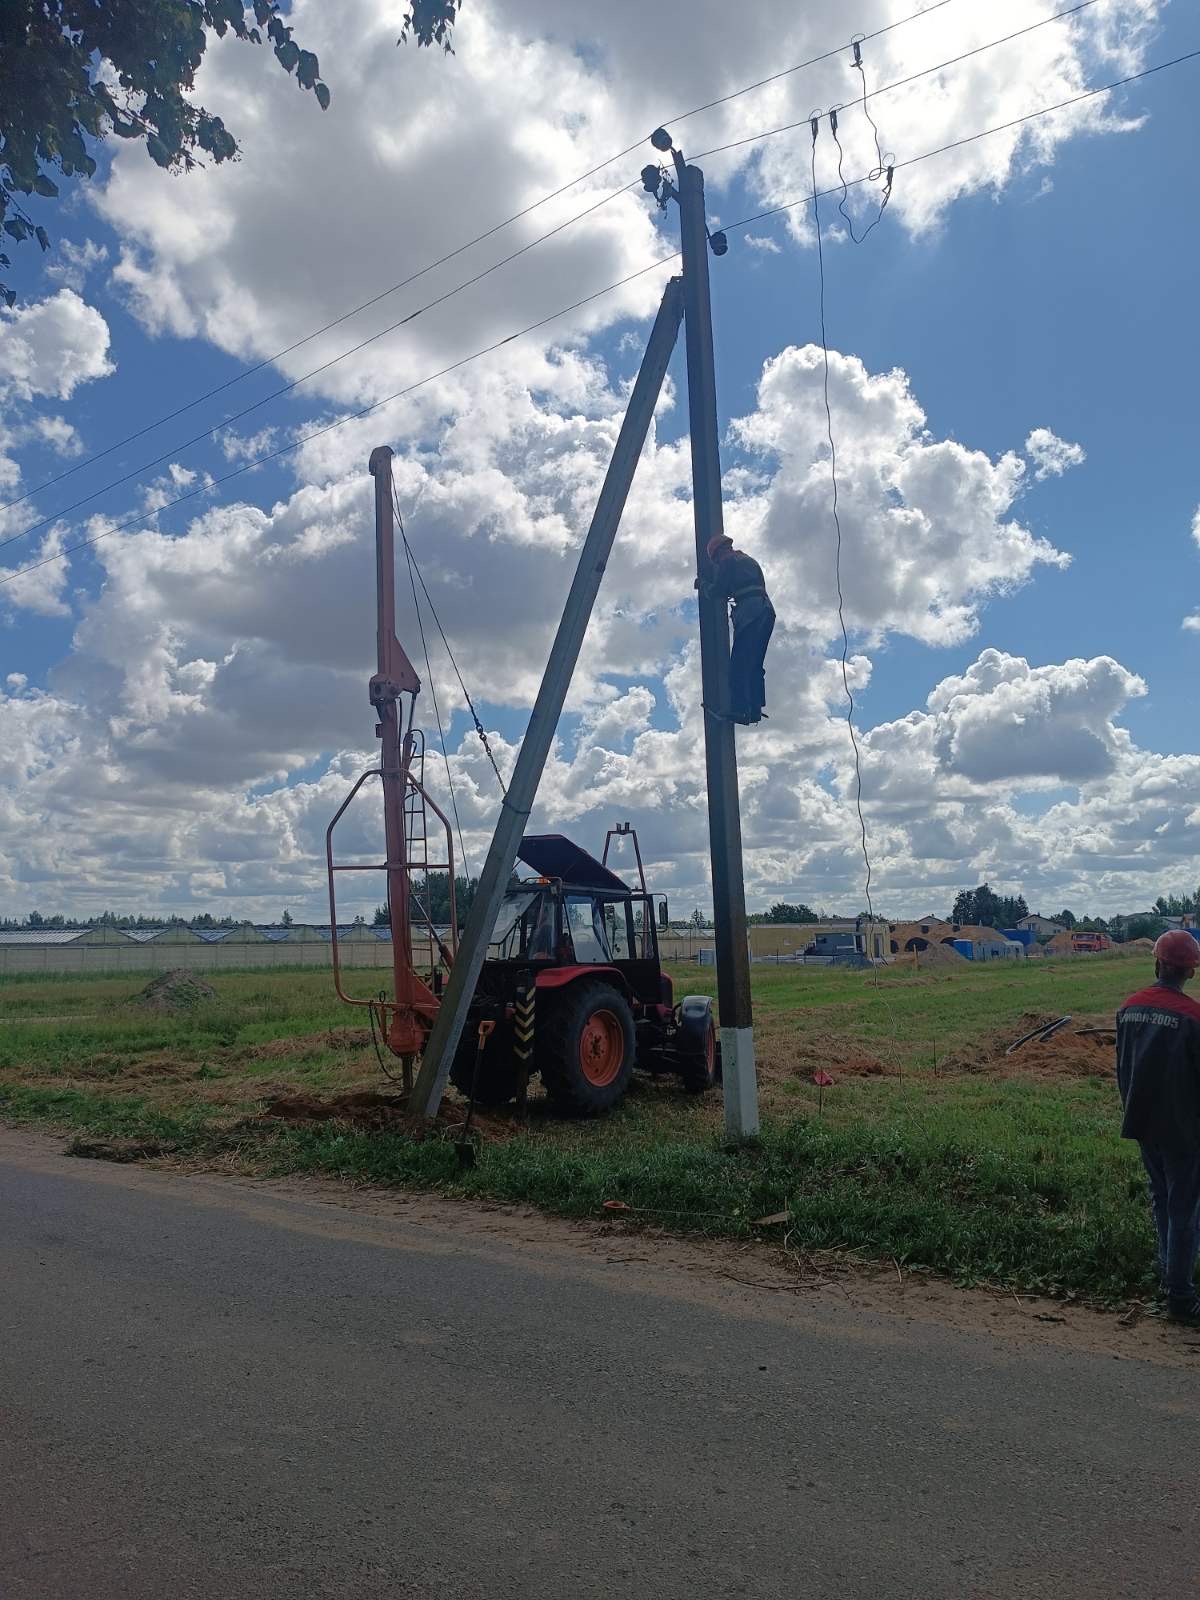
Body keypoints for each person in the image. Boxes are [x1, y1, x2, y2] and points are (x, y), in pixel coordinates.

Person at [1116, 930, 1200, 1324]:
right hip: (1183, 1130)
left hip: (1143, 1122)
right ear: (1190, 972)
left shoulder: (1128, 1008)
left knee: (1162, 1199)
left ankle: (1169, 1276)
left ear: (1158, 963)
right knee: (1185, 1209)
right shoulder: (1193, 1018)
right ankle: (1180, 1298)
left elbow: (1123, 1069)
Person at [705, 533, 775, 725]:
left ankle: (740, 709)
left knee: (739, 663)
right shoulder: (747, 560)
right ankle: (754, 709)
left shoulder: (727, 561)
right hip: (766, 610)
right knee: (754, 663)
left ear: (718, 553)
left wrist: (704, 586)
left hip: (751, 612)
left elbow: (718, 591)